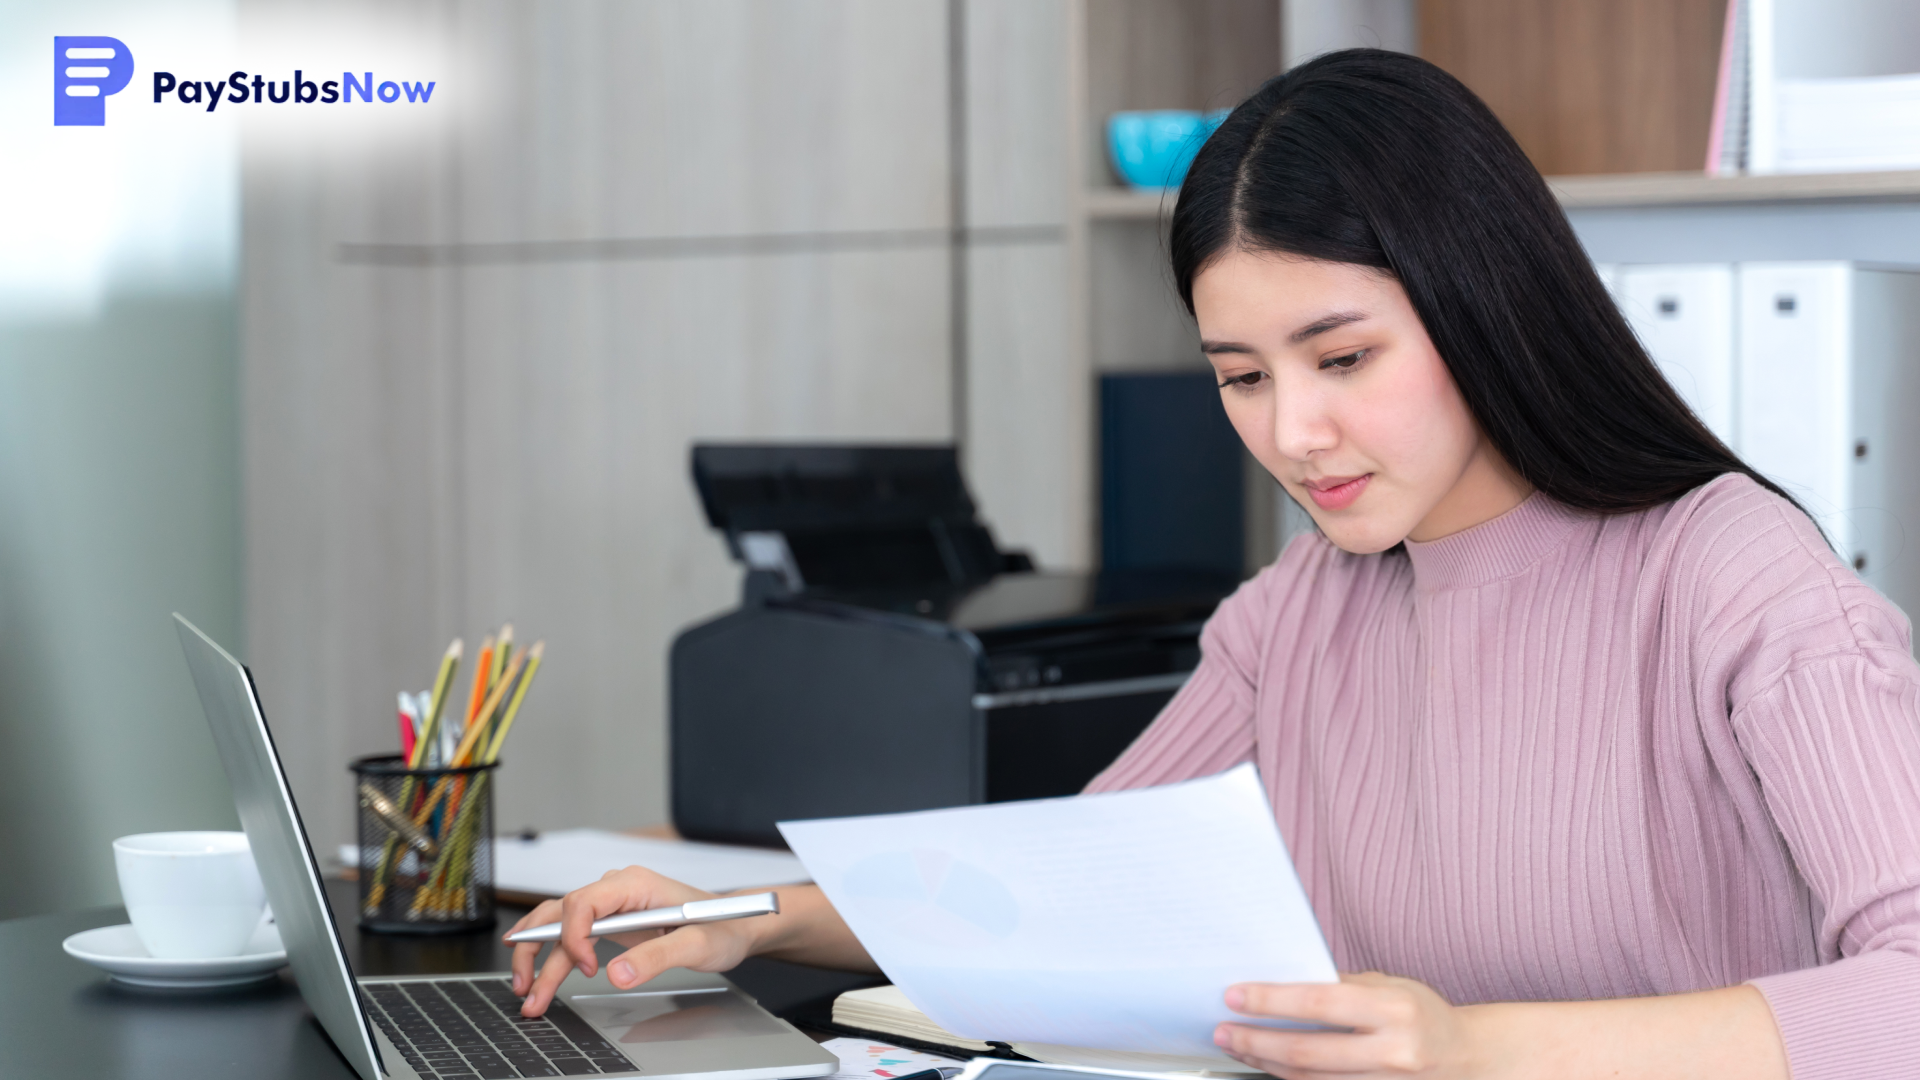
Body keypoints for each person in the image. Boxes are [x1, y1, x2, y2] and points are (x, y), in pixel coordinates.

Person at [506, 51, 1920, 1079]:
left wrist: (1472, 1051)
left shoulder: (1731, 575)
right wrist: (738, 918)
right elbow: (1074, 893)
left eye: (1344, 358)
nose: (1295, 435)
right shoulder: (1299, 611)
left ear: (1488, 300)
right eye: (1241, 376)